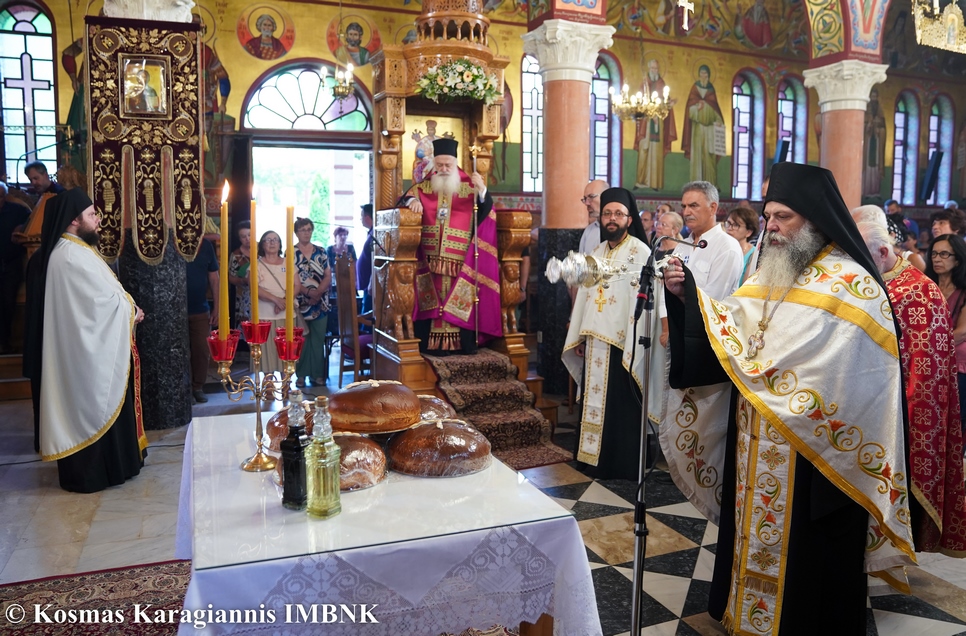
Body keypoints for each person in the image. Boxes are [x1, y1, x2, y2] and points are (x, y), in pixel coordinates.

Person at [662, 163, 915, 634]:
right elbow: (733, 327)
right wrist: (685, 299)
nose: (772, 227)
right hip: (755, 441)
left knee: (806, 573)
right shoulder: (770, 272)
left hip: (815, 457)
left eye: (783, 217)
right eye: (768, 216)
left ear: (814, 219)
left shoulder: (853, 286)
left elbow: (857, 381)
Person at [854, 215, 966, 556]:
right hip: (864, 402)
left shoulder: (919, 291)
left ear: (883, 251)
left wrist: (908, 410)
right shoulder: (871, 280)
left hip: (899, 409)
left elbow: (925, 367)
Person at [23, 188, 147, 492]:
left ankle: (117, 467)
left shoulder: (77, 250)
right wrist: (130, 310)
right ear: (73, 220)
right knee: (92, 405)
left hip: (89, 347)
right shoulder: (68, 256)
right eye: (92, 214)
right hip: (84, 353)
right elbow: (96, 305)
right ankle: (95, 473)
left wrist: (127, 308)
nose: (98, 219)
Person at [563, 187, 651, 480]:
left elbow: (646, 300)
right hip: (594, 341)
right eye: (607, 213)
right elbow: (585, 297)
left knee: (619, 404)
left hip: (623, 342)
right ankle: (590, 460)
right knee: (593, 401)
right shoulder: (597, 253)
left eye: (618, 214)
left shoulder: (641, 252)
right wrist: (580, 335)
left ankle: (619, 464)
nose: (612, 219)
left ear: (629, 218)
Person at [405, 138, 501, 353]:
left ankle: (460, 345)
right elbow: (407, 196)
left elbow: (485, 212)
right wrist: (411, 201)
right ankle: (431, 346)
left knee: (459, 299)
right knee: (431, 300)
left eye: (448, 165)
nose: (444, 169)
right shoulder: (424, 186)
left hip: (460, 258)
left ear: (455, 163)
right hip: (430, 259)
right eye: (439, 165)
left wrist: (482, 191)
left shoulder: (470, 187)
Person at [925, 233, 966, 433]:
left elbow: (963, 332)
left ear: (957, 259)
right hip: (928, 359)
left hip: (956, 361)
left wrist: (928, 345)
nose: (937, 259)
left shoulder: (963, 291)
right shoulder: (925, 287)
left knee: (956, 420)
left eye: (944, 254)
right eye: (934, 254)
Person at [256, 231, 306, 376]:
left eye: (275, 240)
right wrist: (276, 300)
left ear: (280, 244)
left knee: (286, 353)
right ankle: (268, 384)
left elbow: (297, 285)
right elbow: (255, 288)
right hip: (265, 316)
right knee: (268, 354)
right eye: (268, 240)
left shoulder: (288, 263)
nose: (272, 242)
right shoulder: (256, 264)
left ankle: (286, 384)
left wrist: (284, 301)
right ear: (262, 244)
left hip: (286, 315)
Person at [293, 218, 330, 387]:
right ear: (296, 233)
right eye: (302, 230)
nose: (306, 233)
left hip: (320, 303)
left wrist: (318, 292)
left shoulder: (321, 251)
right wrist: (308, 292)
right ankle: (301, 375)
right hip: (300, 303)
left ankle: (317, 374)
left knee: (318, 340)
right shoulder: (290, 253)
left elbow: (328, 275)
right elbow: (289, 278)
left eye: (308, 229)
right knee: (301, 340)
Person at [634, 59, 677, 190]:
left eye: (656, 68)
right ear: (649, 69)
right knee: (644, 150)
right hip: (646, 124)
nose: (654, 71)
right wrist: (649, 113)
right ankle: (641, 181)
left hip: (658, 124)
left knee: (657, 153)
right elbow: (639, 106)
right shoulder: (644, 84)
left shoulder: (662, 85)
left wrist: (669, 104)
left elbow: (665, 105)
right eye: (652, 68)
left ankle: (655, 183)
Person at [185, 238, 219, 404]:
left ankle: (197, 387)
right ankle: (184, 389)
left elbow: (214, 278)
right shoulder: (169, 240)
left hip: (200, 308)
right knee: (179, 352)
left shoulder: (205, 245)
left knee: (201, 349)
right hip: (174, 309)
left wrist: (217, 307)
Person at [682, 65, 724, 185]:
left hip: (710, 129)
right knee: (698, 157)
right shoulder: (695, 89)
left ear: (709, 75)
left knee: (710, 158)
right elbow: (689, 111)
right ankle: (696, 185)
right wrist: (697, 108)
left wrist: (719, 121)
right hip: (698, 129)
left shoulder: (711, 90)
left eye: (705, 73)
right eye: (701, 73)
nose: (703, 76)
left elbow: (716, 109)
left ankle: (711, 185)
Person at [0, 182, 30, 354]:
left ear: (5, 197)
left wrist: (22, 227)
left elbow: (31, 219)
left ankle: (5, 342)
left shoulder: (17, 210)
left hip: (10, 264)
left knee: (7, 303)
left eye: (0, 197)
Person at [725, 205, 759, 282]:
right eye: (729, 223)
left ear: (748, 232)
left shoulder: (753, 254)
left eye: (736, 225)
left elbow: (746, 285)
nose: (729, 228)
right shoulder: (721, 248)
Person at [227, 220, 252, 325]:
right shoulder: (235, 255)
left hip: (265, 296)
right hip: (243, 299)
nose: (247, 239)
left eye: (250, 235)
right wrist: (243, 280)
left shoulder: (263, 250)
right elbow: (230, 278)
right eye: (243, 236)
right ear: (239, 238)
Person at [863, 88, 887, 196]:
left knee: (876, 165)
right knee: (867, 166)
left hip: (876, 142)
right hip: (867, 143)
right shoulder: (865, 111)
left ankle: (875, 190)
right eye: (872, 97)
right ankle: (866, 189)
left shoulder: (880, 111)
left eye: (875, 97)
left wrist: (879, 128)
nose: (874, 99)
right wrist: (867, 126)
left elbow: (883, 126)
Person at [578, 180, 607, 255]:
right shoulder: (589, 231)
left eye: (591, 197)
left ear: (606, 197)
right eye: (585, 199)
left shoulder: (618, 231)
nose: (586, 203)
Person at [357, 203, 374, 314]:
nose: (361, 219)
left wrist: (372, 281)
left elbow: (375, 260)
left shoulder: (375, 233)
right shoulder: (371, 232)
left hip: (371, 284)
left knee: (367, 313)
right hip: (367, 284)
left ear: (367, 217)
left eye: (361, 216)